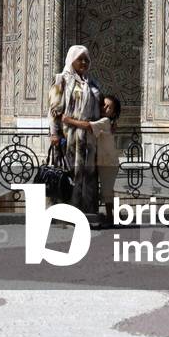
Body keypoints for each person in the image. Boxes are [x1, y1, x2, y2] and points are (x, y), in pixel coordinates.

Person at [47, 44, 101, 215]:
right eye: (80, 59)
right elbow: (54, 110)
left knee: (88, 174)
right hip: (69, 136)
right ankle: (67, 213)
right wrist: (54, 133)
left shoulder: (91, 82)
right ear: (72, 60)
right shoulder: (61, 80)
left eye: (86, 59)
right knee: (70, 174)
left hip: (89, 137)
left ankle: (87, 212)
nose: (84, 62)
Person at [63, 93, 121, 225]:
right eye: (103, 105)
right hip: (103, 161)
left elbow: (89, 126)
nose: (104, 108)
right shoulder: (107, 122)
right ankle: (113, 217)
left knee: (106, 191)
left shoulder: (105, 121)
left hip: (108, 163)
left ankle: (111, 219)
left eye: (109, 107)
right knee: (107, 190)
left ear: (113, 112)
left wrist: (68, 120)